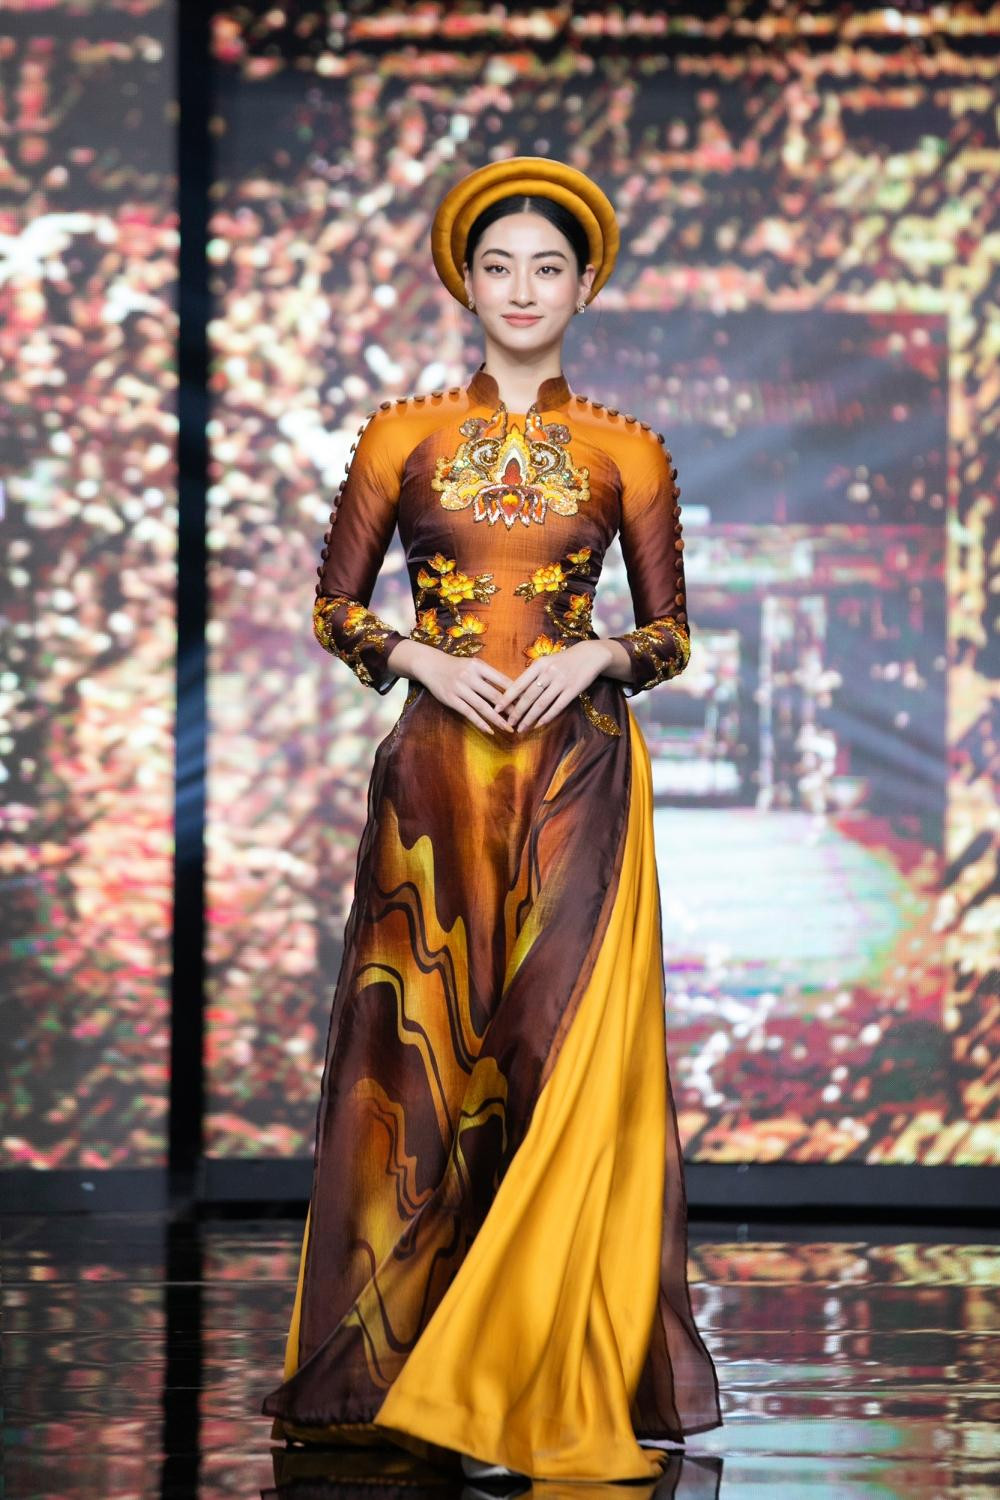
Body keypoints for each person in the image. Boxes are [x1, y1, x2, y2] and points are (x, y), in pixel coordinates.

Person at [261, 155, 722, 1483]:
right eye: (499, 267)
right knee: (418, 1070)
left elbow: (672, 632)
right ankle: (405, 1375)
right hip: (435, 786)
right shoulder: (399, 438)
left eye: (548, 269)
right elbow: (334, 606)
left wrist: (602, 656)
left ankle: (531, 1376)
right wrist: (416, 655)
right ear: (467, 284)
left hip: (578, 779)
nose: (523, 290)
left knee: (555, 1062)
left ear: (585, 287)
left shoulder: (629, 452)